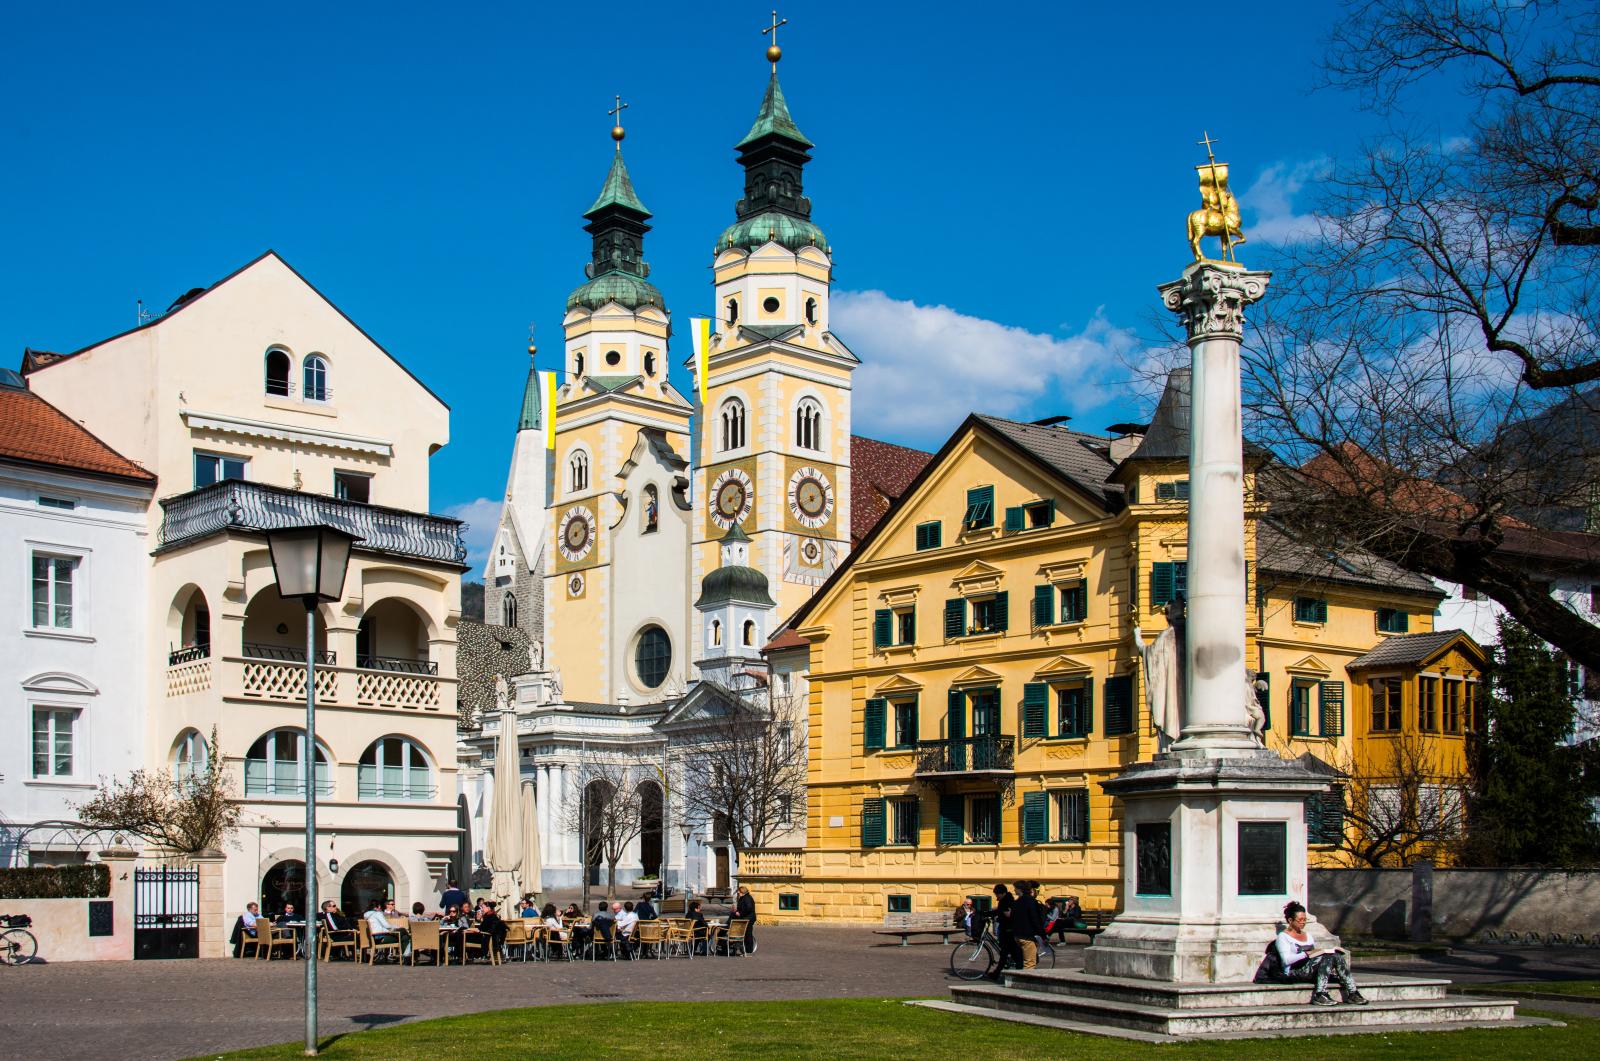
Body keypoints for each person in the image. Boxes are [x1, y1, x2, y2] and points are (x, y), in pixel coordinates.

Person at [1256, 901, 1367, 1006]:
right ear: (1290, 920)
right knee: (1327, 958)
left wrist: (1318, 952)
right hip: (1293, 971)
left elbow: (1314, 957)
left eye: (1305, 919)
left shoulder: (1308, 935)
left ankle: (1353, 992)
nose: (1303, 922)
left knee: (1335, 956)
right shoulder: (1283, 937)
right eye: (1300, 920)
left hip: (1309, 967)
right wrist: (1307, 953)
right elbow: (1286, 960)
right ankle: (1319, 994)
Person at [1011, 881, 1045, 970]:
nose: (1014, 890)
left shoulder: (1017, 902)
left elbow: (1012, 918)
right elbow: (1035, 920)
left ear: (1020, 890)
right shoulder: (1031, 901)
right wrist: (1043, 935)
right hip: (1027, 936)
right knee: (1029, 964)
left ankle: (1018, 980)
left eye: (1016, 888)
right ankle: (1025, 983)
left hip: (1017, 936)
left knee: (1021, 962)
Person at [734, 884, 758, 954]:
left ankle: (749, 949)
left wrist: (740, 913)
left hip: (748, 918)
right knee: (745, 933)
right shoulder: (743, 897)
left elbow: (749, 908)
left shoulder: (747, 898)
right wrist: (736, 911)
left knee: (748, 933)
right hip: (745, 918)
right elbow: (741, 907)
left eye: (739, 892)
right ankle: (744, 948)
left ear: (742, 891)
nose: (738, 893)